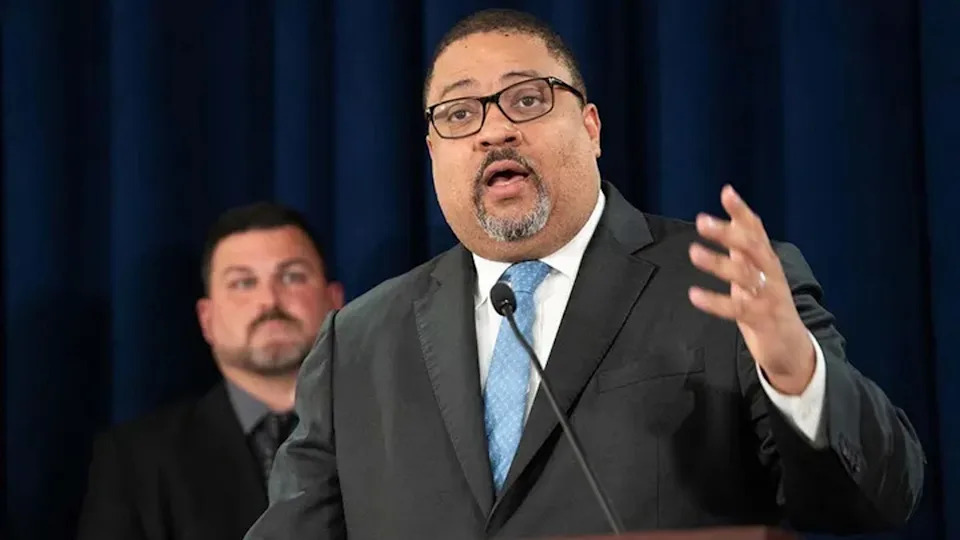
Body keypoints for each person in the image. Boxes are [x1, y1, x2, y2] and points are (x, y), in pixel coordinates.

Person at [245, 9, 924, 539]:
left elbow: (881, 495)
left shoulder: (723, 286)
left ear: (591, 127)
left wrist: (796, 375)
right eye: (460, 113)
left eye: (527, 99)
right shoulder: (356, 343)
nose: (493, 131)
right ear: (433, 151)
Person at [77, 202, 345, 540]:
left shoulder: (389, 428)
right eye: (243, 283)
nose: (269, 300)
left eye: (292, 276)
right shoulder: (135, 462)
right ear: (207, 320)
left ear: (335, 301)